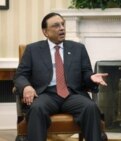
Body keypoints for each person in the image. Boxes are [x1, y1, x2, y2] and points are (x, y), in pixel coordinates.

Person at [13, 12, 108, 141]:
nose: (62, 28)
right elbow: (20, 75)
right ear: (45, 32)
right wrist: (26, 87)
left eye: (63, 24)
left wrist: (91, 78)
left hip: (72, 94)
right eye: (56, 25)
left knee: (90, 107)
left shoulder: (78, 48)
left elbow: (86, 73)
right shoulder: (33, 50)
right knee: (37, 108)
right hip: (45, 94)